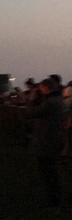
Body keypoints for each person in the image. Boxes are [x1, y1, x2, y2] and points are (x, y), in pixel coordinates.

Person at [27, 78, 66, 209]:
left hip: (47, 141)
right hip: (53, 139)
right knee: (51, 171)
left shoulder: (50, 103)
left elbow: (31, 112)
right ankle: (55, 198)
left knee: (48, 172)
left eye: (41, 89)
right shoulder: (58, 100)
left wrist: (32, 98)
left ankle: (53, 200)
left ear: (46, 88)